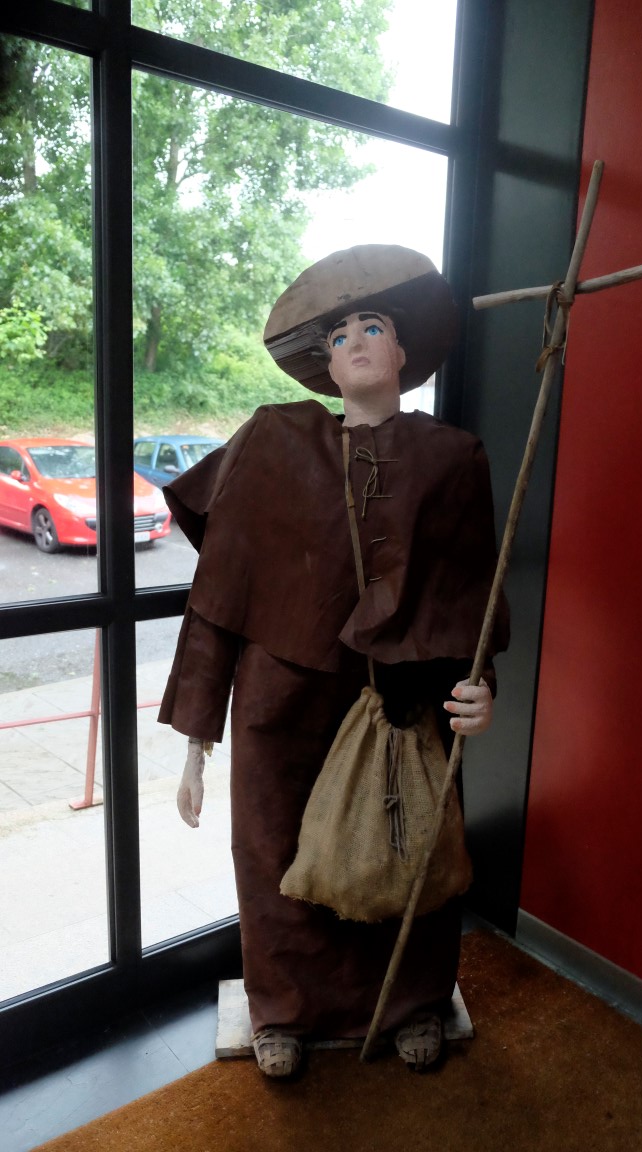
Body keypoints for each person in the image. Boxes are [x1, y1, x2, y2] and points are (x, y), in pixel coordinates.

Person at [158, 244, 509, 1079]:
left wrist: (480, 687)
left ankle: (412, 1002)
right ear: (324, 361)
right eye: (339, 333)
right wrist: (196, 740)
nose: (355, 341)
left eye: (373, 326)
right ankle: (283, 1010)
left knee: (411, 841)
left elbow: (471, 593)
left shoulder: (453, 457)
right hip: (281, 696)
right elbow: (220, 592)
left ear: (404, 349)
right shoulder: (272, 442)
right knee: (274, 850)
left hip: (405, 694)